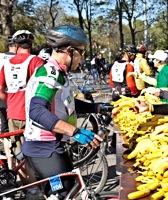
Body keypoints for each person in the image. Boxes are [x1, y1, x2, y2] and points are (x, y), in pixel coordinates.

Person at [22, 25, 103, 199]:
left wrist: (97, 107)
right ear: (69, 50)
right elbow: (36, 111)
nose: (82, 58)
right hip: (45, 148)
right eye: (81, 52)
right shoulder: (49, 75)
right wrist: (75, 131)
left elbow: (68, 104)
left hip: (50, 146)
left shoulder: (58, 73)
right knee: (63, 195)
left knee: (67, 191)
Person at [0, 30, 45, 198]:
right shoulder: (37, 61)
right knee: (39, 152)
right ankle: (41, 186)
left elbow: (1, 90)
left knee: (20, 155)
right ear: (31, 45)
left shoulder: (7, 64)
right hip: (34, 114)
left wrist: (11, 102)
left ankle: (31, 191)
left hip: (13, 114)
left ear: (16, 45)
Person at [0, 35, 16, 174]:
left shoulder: (0, 57)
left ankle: (10, 167)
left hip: (1, 99)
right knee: (16, 134)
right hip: (14, 101)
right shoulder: (19, 59)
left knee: (5, 133)